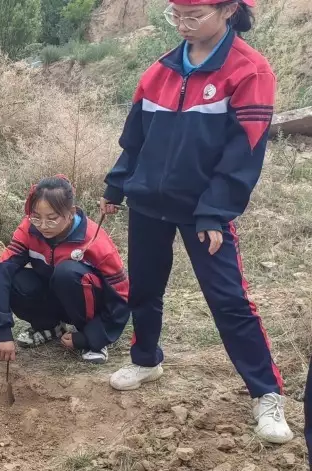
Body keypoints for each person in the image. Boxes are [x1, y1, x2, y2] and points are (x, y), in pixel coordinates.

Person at [100, 0, 292, 443]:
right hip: (149, 201)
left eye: (194, 16)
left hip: (203, 210)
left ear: (228, 10)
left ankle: (265, 393)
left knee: (228, 300)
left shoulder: (250, 71)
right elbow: (135, 140)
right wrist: (116, 186)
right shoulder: (160, 69)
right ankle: (146, 358)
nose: (183, 26)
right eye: (176, 16)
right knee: (145, 288)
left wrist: (213, 211)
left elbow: (243, 154)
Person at [0, 176, 129, 364]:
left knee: (67, 272)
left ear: (70, 212)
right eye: (36, 217)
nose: (43, 226)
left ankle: (92, 338)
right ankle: (50, 326)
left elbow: (122, 295)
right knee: (12, 278)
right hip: (56, 297)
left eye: (52, 219)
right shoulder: (29, 230)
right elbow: (1, 271)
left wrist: (91, 336)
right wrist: (2, 331)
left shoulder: (94, 240)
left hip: (89, 304)